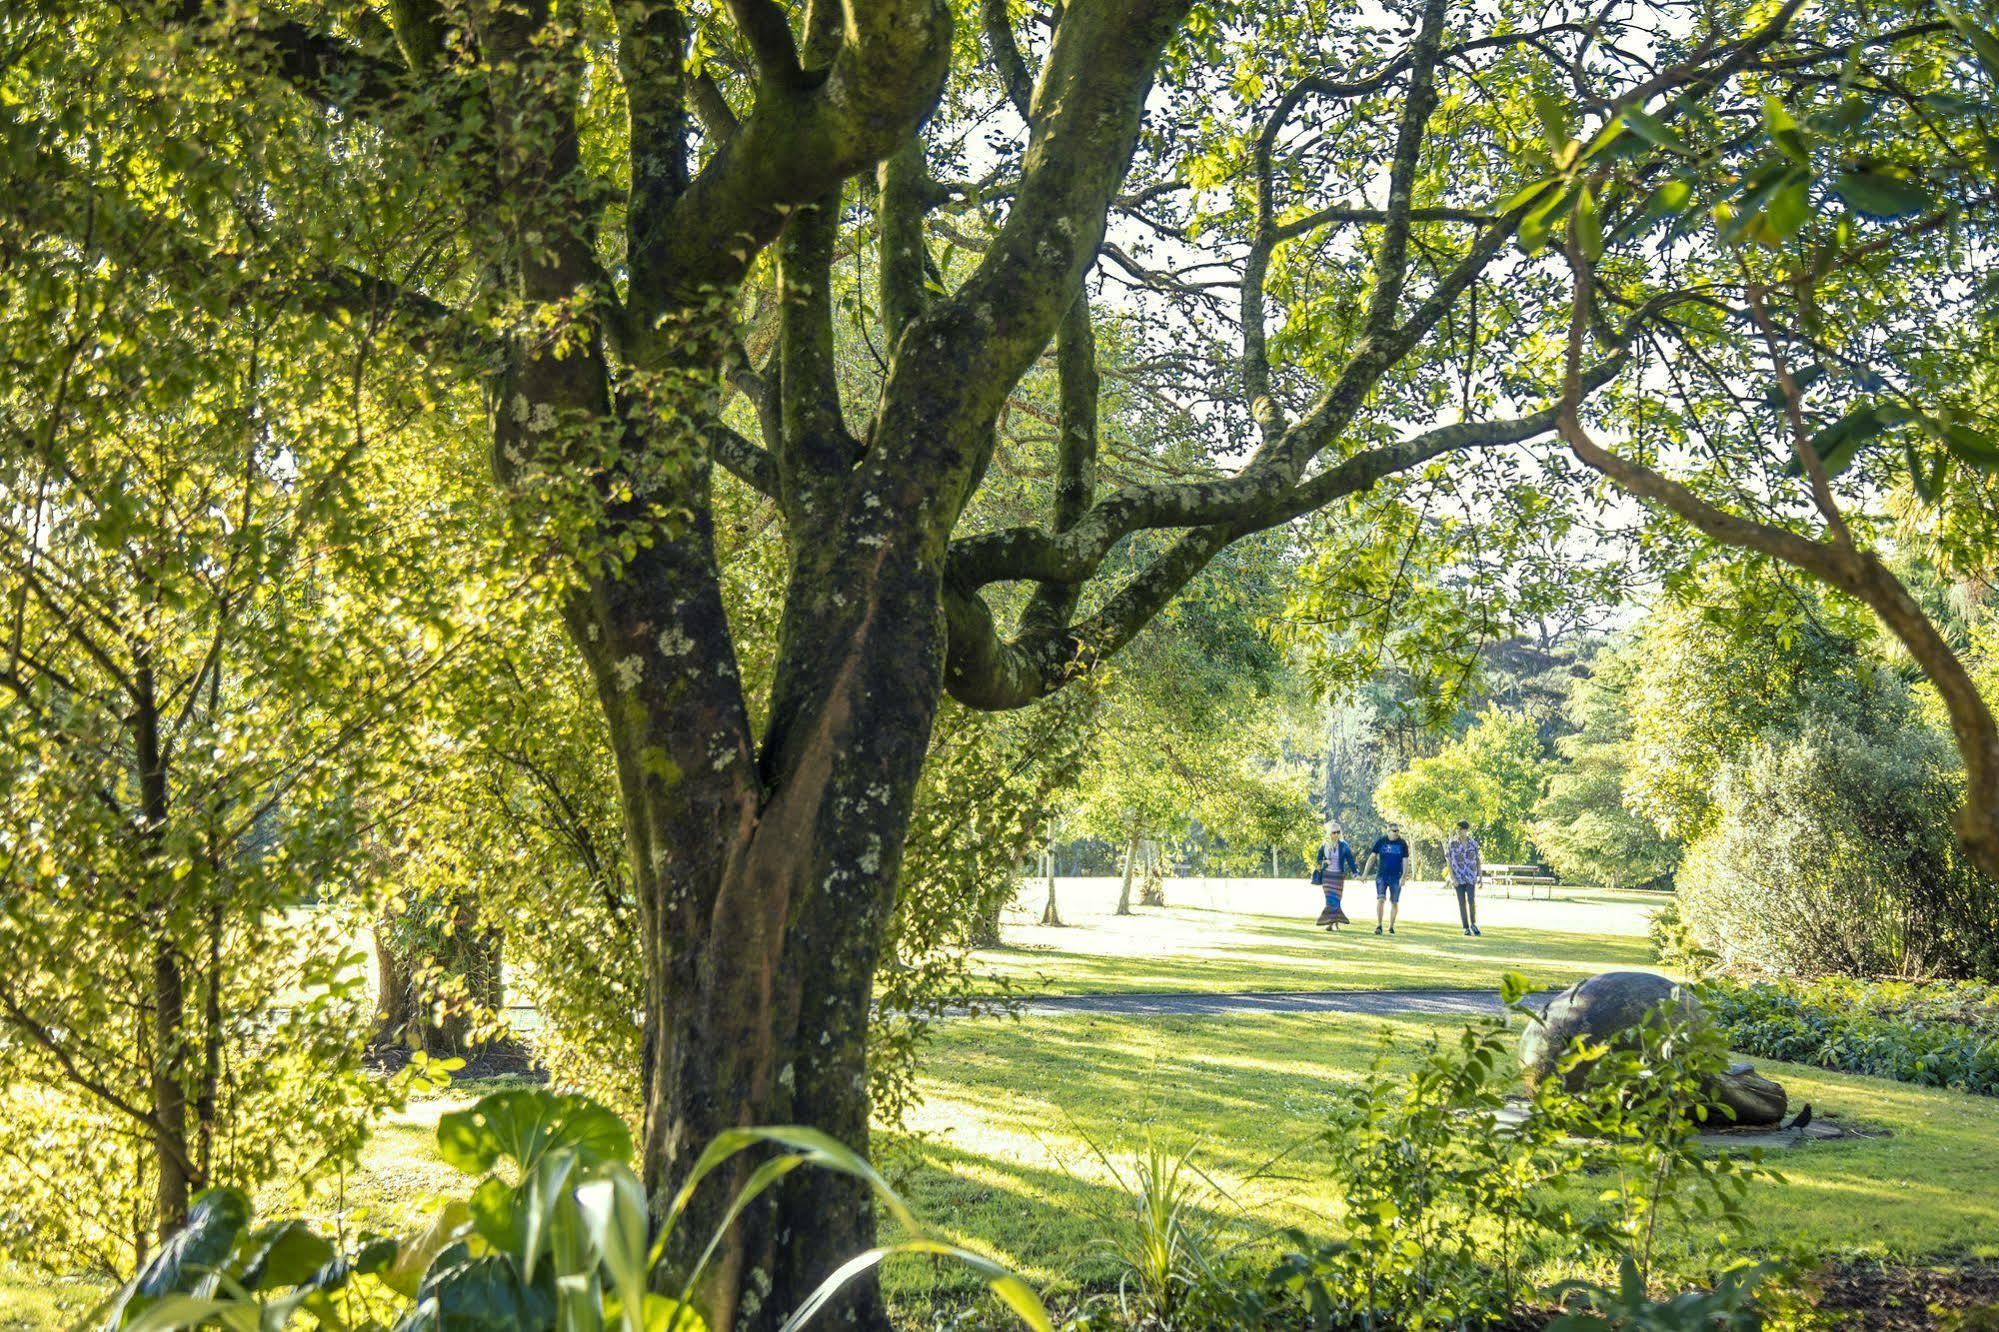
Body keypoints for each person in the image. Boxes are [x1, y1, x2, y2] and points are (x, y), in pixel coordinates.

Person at [1365, 823, 1411, 935]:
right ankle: (1379, 925)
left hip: (1396, 877)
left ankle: (1391, 926)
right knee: (1381, 899)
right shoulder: (1381, 841)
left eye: (1398, 831)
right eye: (1394, 831)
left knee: (1394, 902)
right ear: (1388, 831)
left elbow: (1405, 860)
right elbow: (1372, 857)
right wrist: (1365, 874)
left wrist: (1404, 876)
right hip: (1382, 876)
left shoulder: (1402, 843)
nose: (1396, 833)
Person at [1313, 827, 1357, 929]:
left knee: (1336, 900)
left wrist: (1355, 872)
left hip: (1338, 877)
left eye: (1338, 832)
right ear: (1330, 834)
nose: (1336, 834)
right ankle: (1331, 924)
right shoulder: (1324, 845)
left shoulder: (1344, 846)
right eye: (1334, 832)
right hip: (1327, 876)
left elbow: (1350, 860)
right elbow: (1318, 861)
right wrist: (1325, 862)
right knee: (1330, 901)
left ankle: (1332, 923)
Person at [1446, 820, 1483, 936]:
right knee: (1462, 903)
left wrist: (1480, 877)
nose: (1458, 831)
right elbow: (1449, 862)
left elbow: (1478, 861)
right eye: (1457, 829)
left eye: (1460, 829)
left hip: (1471, 877)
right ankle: (1465, 927)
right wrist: (1452, 878)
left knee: (1471, 901)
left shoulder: (1473, 844)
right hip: (1458, 878)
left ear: (1466, 830)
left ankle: (1473, 924)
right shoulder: (1452, 844)